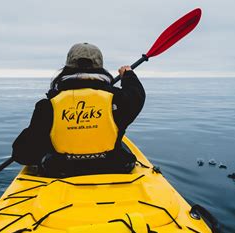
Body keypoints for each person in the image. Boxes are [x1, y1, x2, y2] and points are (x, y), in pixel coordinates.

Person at [12, 42, 145, 177]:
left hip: (60, 170)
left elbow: (22, 155)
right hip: (114, 167)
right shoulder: (119, 100)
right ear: (100, 66)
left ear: (68, 66)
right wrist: (129, 76)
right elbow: (137, 95)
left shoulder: (48, 106)